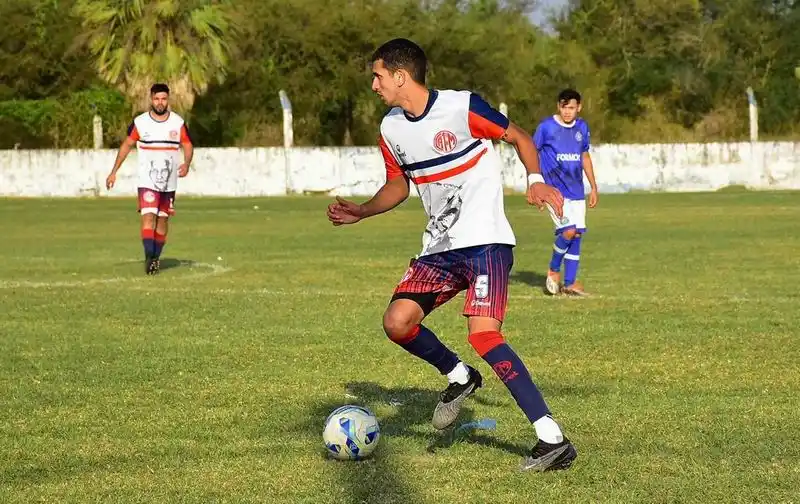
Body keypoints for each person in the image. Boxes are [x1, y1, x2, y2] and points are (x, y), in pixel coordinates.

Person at [327, 38, 577, 472]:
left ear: (400, 76)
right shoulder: (391, 128)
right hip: (439, 248)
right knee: (397, 322)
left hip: (485, 242)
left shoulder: (462, 108)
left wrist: (534, 178)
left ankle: (551, 438)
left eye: (378, 75)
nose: (373, 84)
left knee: (484, 335)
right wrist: (364, 211)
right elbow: (398, 185)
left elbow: (517, 136)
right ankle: (460, 377)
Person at [105, 83, 193, 275]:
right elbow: (127, 145)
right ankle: (149, 258)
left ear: (167, 100)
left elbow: (187, 144)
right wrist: (114, 171)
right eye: (156, 99)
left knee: (162, 222)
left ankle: (156, 257)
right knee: (148, 218)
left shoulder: (177, 123)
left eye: (163, 99)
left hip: (169, 183)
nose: (160, 102)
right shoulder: (140, 123)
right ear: (151, 99)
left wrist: (186, 163)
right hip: (147, 182)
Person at [533, 89, 598, 296]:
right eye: (564, 107)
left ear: (579, 107)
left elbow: (584, 156)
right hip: (554, 192)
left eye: (571, 107)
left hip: (577, 191)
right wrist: (533, 184)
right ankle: (553, 269)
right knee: (568, 231)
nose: (567, 111)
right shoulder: (546, 128)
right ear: (558, 106)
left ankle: (570, 283)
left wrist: (593, 187)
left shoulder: (582, 127)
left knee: (576, 235)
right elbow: (531, 153)